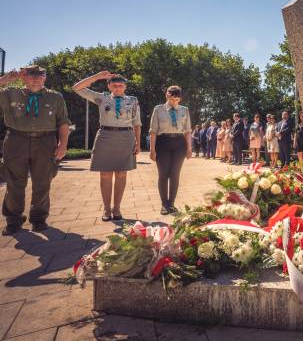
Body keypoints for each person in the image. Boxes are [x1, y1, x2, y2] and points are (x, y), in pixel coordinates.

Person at [0, 66, 70, 235]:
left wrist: (63, 145)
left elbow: (63, 122)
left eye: (40, 75)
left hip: (45, 142)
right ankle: (13, 220)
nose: (36, 79)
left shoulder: (55, 97)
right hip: (16, 140)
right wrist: (5, 80)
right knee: (14, 182)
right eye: (31, 75)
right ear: (23, 77)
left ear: (45, 77)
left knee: (43, 182)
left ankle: (39, 219)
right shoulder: (9, 93)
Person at [73, 71, 141, 222]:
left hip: (126, 137)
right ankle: (106, 208)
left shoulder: (133, 100)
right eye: (114, 85)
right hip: (105, 136)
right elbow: (76, 88)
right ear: (109, 85)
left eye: (121, 85)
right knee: (105, 174)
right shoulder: (101, 98)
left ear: (125, 87)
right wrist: (96, 77)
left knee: (122, 174)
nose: (118, 87)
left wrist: (138, 143)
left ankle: (116, 208)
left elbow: (137, 123)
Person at [149, 86, 192, 215]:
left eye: (177, 99)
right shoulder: (158, 109)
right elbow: (153, 131)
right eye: (172, 99)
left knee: (175, 175)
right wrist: (152, 150)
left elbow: (187, 131)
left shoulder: (185, 110)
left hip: (179, 144)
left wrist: (189, 148)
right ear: (167, 96)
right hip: (163, 143)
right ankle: (164, 204)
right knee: (163, 175)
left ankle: (171, 203)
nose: (174, 102)